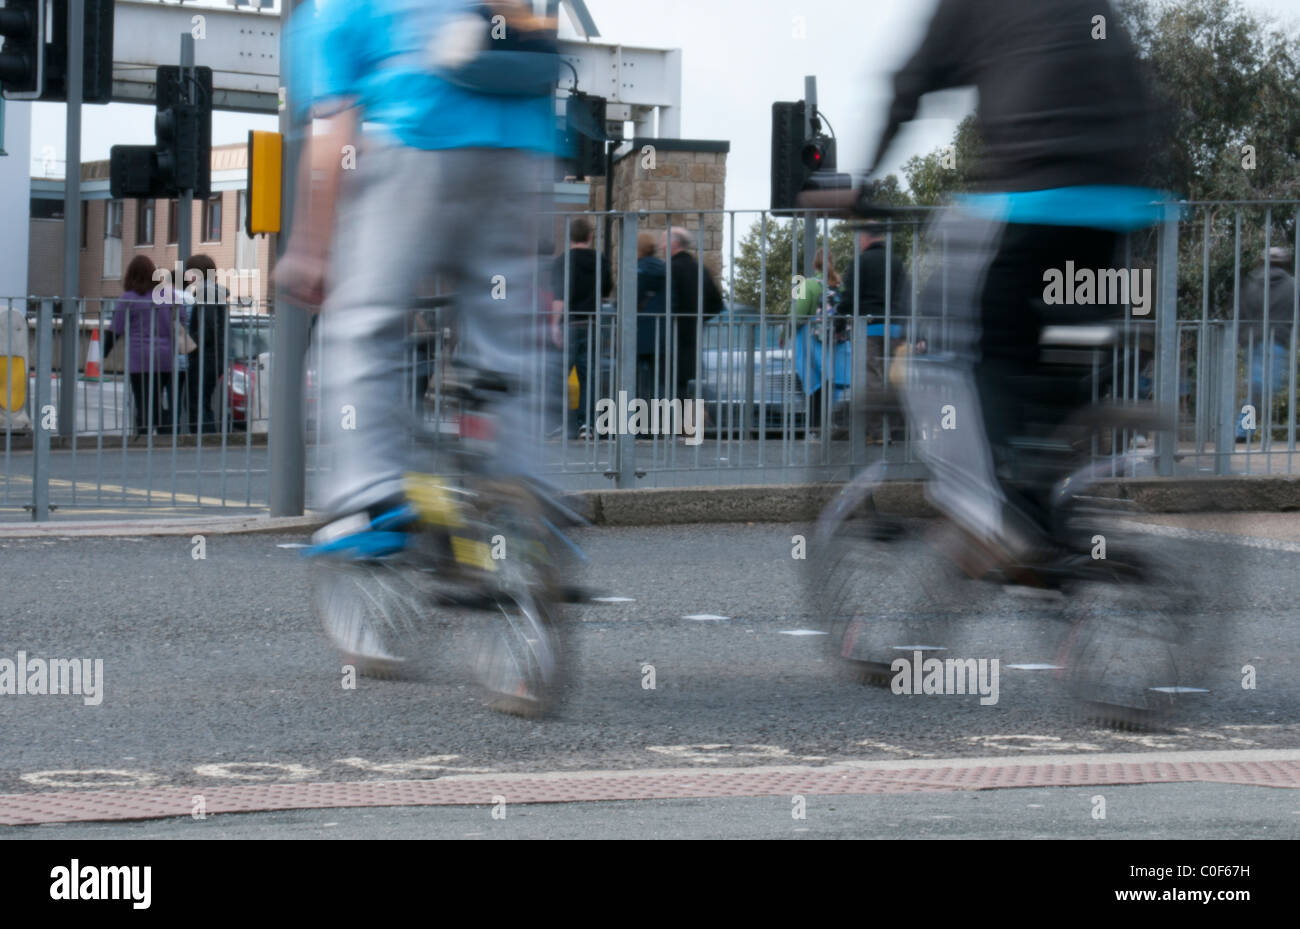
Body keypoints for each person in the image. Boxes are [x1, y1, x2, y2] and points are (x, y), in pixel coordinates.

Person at [862, 0, 1166, 569]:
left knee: (952, 341)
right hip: (1118, 203)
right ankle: (1047, 513)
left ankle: (999, 517)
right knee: (1051, 363)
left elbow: (910, 86)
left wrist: (865, 177)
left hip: (1034, 193)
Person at [275, 0, 558, 542]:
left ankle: (369, 495)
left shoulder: (334, 12)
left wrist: (311, 249)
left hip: (416, 139)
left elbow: (333, 133)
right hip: (521, 153)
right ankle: (524, 500)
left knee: (365, 323)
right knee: (511, 336)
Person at [551, 217, 611, 439]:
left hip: (569, 324)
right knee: (588, 377)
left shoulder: (562, 262)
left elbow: (559, 298)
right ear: (590, 236)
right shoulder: (601, 261)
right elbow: (605, 290)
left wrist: (554, 325)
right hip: (592, 323)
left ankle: (560, 423)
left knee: (559, 375)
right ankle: (586, 424)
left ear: (570, 237)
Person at [661, 226, 724, 412]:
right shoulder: (700, 269)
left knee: (667, 382)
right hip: (692, 335)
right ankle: (687, 425)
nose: (662, 247)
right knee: (685, 383)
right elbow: (717, 303)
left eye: (664, 242)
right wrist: (698, 318)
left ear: (674, 244)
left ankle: (670, 426)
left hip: (669, 335)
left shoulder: (670, 269)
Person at [111, 255, 175, 437]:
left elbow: (116, 327)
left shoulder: (128, 298)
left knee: (142, 399)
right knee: (156, 396)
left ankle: (145, 435)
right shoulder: (167, 295)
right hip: (164, 357)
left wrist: (104, 352)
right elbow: (181, 320)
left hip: (139, 358)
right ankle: (166, 432)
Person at [1236, 246, 1295, 441]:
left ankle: (1244, 430)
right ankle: (1242, 430)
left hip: (1253, 340)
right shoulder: (1292, 285)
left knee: (1258, 389)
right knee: (1261, 389)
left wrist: (1243, 337)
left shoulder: (1252, 282)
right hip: (1276, 339)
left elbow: (1240, 310)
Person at [790, 248, 843, 432]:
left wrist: (785, 333)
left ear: (815, 264)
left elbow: (798, 313)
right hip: (836, 341)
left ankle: (815, 426)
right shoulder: (839, 285)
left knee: (813, 380)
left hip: (812, 340)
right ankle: (830, 421)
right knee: (831, 380)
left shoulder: (808, 285)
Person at [183, 254, 229, 435]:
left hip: (205, 356)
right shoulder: (213, 292)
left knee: (197, 402)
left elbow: (207, 327)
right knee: (201, 401)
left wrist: (191, 342)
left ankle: (206, 443)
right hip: (213, 355)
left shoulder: (206, 293)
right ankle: (208, 441)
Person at [635, 231, 667, 403]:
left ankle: (639, 425)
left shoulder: (640, 269)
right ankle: (659, 423)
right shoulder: (664, 268)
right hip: (662, 332)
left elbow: (631, 297)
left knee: (640, 382)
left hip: (641, 331)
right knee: (659, 382)